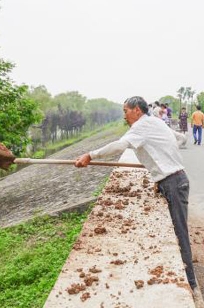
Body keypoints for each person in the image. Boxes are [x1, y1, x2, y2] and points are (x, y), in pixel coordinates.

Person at [74, 96, 197, 290]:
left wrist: (91, 155)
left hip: (173, 182)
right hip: (174, 179)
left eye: (126, 111)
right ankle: (187, 277)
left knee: (179, 232)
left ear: (137, 111)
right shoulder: (155, 122)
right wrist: (157, 160)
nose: (124, 115)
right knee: (177, 230)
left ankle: (190, 283)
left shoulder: (140, 126)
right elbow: (180, 138)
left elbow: (120, 146)